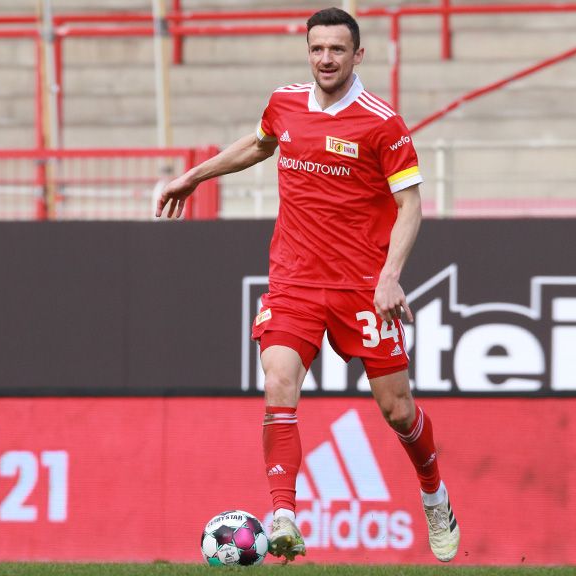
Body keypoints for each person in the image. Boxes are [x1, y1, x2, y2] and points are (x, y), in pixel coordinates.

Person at [156, 6, 460, 564]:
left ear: (357, 56)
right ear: (308, 51)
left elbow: (410, 206)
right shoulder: (285, 102)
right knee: (278, 381)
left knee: (397, 411)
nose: (326, 58)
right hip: (294, 279)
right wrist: (193, 176)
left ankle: (434, 492)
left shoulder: (381, 123)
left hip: (363, 286)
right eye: (318, 48)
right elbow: (259, 143)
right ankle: (284, 517)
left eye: (337, 50)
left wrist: (391, 275)